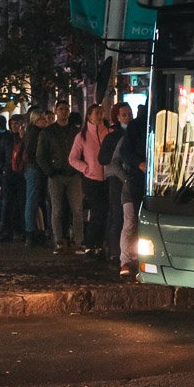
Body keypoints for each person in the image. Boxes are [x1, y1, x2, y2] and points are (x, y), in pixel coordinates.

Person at [37, 102, 83, 253]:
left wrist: (80, 169)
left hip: (73, 174)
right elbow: (41, 155)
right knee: (57, 209)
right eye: (61, 109)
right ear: (56, 112)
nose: (64, 112)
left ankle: (78, 240)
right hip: (56, 175)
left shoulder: (76, 131)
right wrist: (50, 172)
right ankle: (59, 240)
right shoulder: (48, 132)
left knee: (77, 209)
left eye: (66, 109)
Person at [69, 104, 109, 257]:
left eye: (101, 113)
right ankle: (91, 244)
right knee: (98, 211)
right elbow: (72, 158)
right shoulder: (82, 136)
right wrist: (86, 168)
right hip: (91, 179)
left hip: (107, 178)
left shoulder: (108, 132)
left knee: (104, 212)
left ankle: (98, 244)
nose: (99, 116)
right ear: (89, 116)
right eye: (96, 113)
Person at [114, 109, 148, 277]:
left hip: (152, 183)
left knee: (144, 223)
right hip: (133, 182)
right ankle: (126, 260)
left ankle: (140, 257)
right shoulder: (135, 128)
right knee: (131, 221)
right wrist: (138, 164)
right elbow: (120, 156)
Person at [99, 102, 132, 266]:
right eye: (124, 114)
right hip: (117, 180)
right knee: (117, 215)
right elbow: (106, 160)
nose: (128, 117)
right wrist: (124, 177)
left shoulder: (135, 133)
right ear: (117, 117)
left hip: (130, 179)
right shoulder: (113, 137)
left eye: (129, 114)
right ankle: (115, 252)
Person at [0, 114, 26, 242]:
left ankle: (22, 229)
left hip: (23, 175)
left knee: (22, 203)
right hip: (9, 175)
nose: (15, 126)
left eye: (18, 123)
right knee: (8, 203)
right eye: (13, 123)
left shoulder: (25, 138)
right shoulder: (6, 139)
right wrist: (4, 167)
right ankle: (6, 231)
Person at [22, 107, 49, 247]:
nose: (45, 121)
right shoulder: (36, 133)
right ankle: (31, 232)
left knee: (35, 201)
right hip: (35, 169)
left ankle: (36, 230)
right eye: (43, 119)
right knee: (32, 201)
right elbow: (33, 154)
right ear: (36, 120)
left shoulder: (32, 133)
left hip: (34, 169)